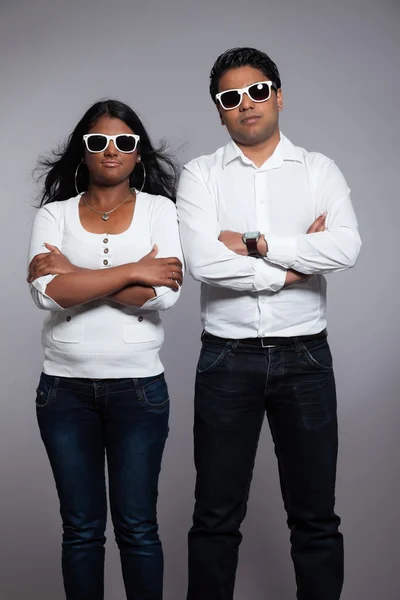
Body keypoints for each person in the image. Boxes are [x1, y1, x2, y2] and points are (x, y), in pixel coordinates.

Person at [177, 47, 361, 600]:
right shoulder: (200, 175)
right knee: (214, 519)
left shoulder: (319, 169)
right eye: (230, 98)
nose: (246, 104)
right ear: (219, 111)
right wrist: (290, 269)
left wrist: (256, 245)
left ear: (278, 96)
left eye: (257, 91)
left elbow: (346, 246)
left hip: (305, 356)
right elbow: (203, 261)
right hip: (226, 357)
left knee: (315, 518)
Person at [27, 99, 183, 600]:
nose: (111, 150)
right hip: (64, 393)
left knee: (138, 530)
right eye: (98, 142)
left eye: (124, 141)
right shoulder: (53, 214)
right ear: (83, 151)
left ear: (138, 153)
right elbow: (44, 292)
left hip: (139, 391)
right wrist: (134, 270)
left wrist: (74, 272)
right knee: (81, 532)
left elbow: (164, 295)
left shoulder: (161, 211)